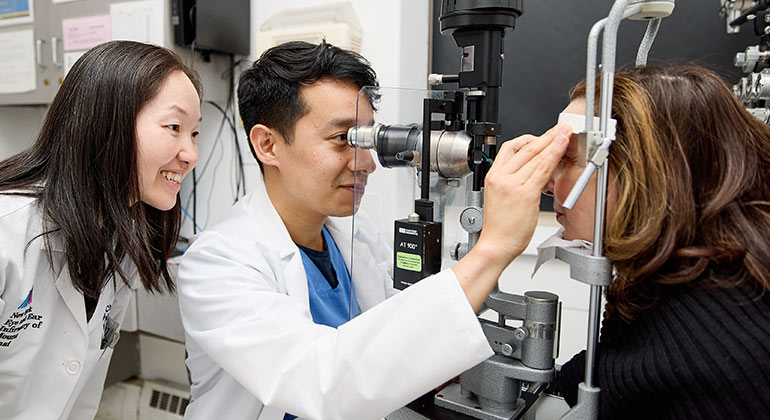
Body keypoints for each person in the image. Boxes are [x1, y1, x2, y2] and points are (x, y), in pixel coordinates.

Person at [177, 40, 570, 420]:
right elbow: (322, 384)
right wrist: (494, 248)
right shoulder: (217, 264)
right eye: (343, 140)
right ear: (268, 144)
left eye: (367, 139)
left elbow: (389, 340)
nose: (366, 163)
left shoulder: (353, 232)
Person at [544, 65, 770, 419]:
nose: (546, 183)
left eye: (569, 159)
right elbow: (608, 372)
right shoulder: (666, 283)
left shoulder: (715, 356)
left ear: (651, 172)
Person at [0, 40, 202, 419]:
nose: (190, 154)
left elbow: (78, 394)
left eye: (193, 133)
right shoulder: (6, 233)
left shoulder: (119, 239)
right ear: (108, 123)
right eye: (174, 127)